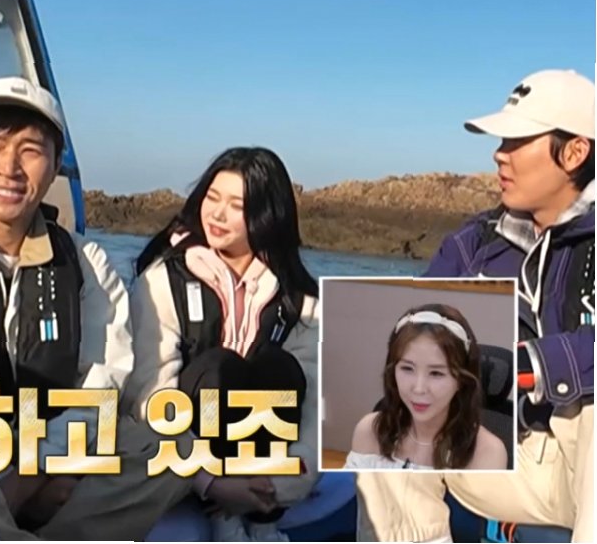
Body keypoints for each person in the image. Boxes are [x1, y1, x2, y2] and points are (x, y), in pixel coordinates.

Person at [0, 77, 196, 540]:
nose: (9, 167)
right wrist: (2, 483)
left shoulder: (85, 261)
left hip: (44, 457)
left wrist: (38, 468)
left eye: (30, 150)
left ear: (56, 164)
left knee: (169, 445)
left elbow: (103, 381)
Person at [355, 69, 594, 542]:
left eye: (516, 140)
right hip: (510, 458)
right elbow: (417, 323)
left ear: (574, 152)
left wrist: (533, 365)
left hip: (585, 461)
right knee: (391, 420)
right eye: (501, 141)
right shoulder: (474, 244)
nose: (499, 154)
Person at [129, 146, 321, 542]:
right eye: (212, 198)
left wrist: (278, 485)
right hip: (187, 460)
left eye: (237, 206)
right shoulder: (164, 279)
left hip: (263, 465)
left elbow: (317, 407)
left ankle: (262, 524)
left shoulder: (299, 299)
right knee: (220, 367)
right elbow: (150, 394)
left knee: (280, 368)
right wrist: (210, 481)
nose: (217, 214)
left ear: (269, 214)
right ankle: (223, 520)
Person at [345, 305, 506, 471]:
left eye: (436, 373)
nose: (419, 389)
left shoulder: (487, 452)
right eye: (407, 368)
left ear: (461, 380)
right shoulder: (370, 430)